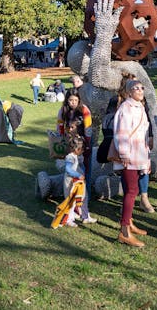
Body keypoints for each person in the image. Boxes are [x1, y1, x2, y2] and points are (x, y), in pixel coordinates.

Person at [113, 80, 151, 247]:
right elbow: (121, 133)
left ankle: (129, 222)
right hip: (129, 155)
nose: (140, 90)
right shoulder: (126, 109)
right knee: (131, 191)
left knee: (132, 190)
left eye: (142, 87)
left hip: (140, 154)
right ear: (129, 92)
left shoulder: (140, 107)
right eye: (136, 88)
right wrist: (123, 153)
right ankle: (124, 231)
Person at [56, 89, 96, 223]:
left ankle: (83, 206)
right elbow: (60, 126)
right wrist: (62, 139)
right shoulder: (63, 111)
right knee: (71, 173)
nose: (73, 103)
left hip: (82, 146)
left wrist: (87, 145)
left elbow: (88, 129)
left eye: (75, 100)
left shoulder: (84, 110)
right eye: (70, 100)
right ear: (67, 100)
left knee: (85, 175)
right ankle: (72, 208)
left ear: (79, 100)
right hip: (70, 146)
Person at [54, 136, 87, 228]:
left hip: (74, 182)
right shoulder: (70, 157)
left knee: (73, 201)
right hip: (70, 182)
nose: (82, 151)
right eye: (82, 149)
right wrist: (78, 175)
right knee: (70, 201)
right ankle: (68, 219)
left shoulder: (75, 156)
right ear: (76, 149)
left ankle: (71, 216)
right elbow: (68, 169)